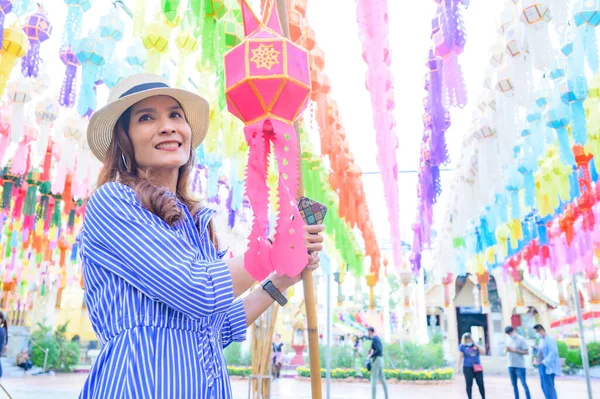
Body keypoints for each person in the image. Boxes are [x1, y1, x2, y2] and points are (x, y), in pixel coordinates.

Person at [79, 73, 324, 398]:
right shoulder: (114, 201)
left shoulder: (194, 223)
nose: (167, 126)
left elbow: (216, 328)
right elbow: (199, 289)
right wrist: (276, 247)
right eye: (146, 118)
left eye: (175, 115)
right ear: (125, 139)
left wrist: (281, 280)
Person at [533, 324, 561, 399]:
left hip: (547, 366)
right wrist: (535, 349)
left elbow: (554, 352)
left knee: (549, 387)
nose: (537, 334)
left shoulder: (550, 339)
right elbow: (541, 351)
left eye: (537, 332)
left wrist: (544, 362)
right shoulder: (541, 340)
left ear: (541, 331)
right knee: (544, 386)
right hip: (541, 365)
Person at [505, 326, 531, 399]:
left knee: (524, 384)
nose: (510, 335)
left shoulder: (521, 339)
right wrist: (507, 350)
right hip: (510, 364)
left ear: (513, 331)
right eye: (508, 334)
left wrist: (515, 350)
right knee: (514, 385)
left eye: (511, 333)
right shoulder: (508, 339)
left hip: (520, 366)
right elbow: (506, 351)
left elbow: (527, 352)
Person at [458, 332, 486, 399]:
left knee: (480, 383)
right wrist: (458, 367)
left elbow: (483, 352)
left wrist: (477, 345)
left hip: (477, 367)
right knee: (469, 383)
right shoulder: (462, 346)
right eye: (466, 339)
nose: (468, 340)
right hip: (467, 367)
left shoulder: (476, 345)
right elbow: (460, 357)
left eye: (469, 338)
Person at [367, 327, 388, 399]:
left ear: (370, 331)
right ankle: (386, 396)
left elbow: (379, 350)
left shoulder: (375, 339)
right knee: (382, 379)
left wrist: (371, 355)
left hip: (376, 360)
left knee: (373, 379)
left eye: (368, 332)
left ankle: (373, 397)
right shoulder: (377, 338)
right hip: (380, 360)